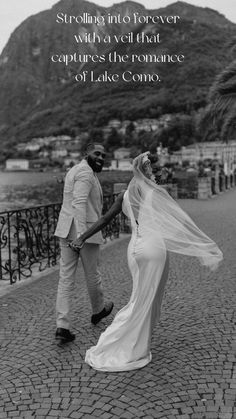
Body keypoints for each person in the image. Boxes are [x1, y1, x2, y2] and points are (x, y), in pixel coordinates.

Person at [70, 152, 223, 371]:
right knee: (149, 299)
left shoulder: (123, 194)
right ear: (148, 170)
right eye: (154, 169)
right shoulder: (153, 191)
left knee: (138, 298)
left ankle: (133, 342)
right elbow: (175, 220)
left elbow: (104, 219)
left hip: (134, 250)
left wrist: (81, 237)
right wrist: (198, 244)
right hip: (153, 247)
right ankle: (130, 345)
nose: (156, 173)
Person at [54, 143, 114, 343]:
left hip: (65, 230)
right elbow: (79, 203)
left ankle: (62, 325)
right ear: (85, 153)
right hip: (83, 233)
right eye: (97, 153)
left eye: (103, 155)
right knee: (92, 275)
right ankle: (98, 310)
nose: (101, 157)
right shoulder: (86, 173)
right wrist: (81, 236)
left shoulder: (76, 170)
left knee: (65, 279)